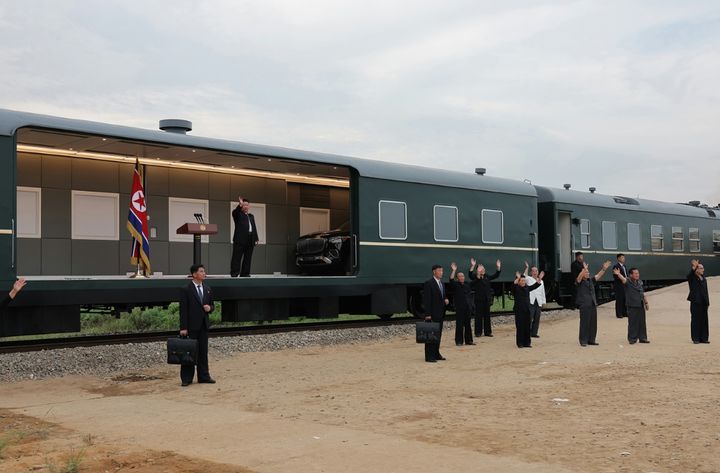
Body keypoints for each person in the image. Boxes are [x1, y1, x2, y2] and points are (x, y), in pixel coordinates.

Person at [179, 264, 216, 386]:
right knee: (189, 352)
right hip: (191, 326)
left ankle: (204, 376)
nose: (204, 273)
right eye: (201, 271)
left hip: (203, 326)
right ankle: (186, 379)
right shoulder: (186, 289)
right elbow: (183, 310)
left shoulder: (207, 288)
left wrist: (209, 308)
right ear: (194, 274)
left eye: (204, 271)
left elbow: (212, 306)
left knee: (203, 352)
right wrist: (183, 328)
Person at [575, 260, 611, 346]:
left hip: (592, 304)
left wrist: (604, 269)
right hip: (584, 304)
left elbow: (598, 276)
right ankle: (583, 340)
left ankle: (591, 339)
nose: (588, 273)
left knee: (593, 323)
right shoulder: (579, 282)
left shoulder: (590, 280)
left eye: (588, 272)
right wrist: (584, 269)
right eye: (586, 272)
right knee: (584, 323)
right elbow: (579, 278)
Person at [613, 267, 650, 344]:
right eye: (635, 273)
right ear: (631, 275)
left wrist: (646, 302)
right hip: (632, 305)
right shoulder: (628, 281)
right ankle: (632, 339)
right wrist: (618, 274)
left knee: (642, 322)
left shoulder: (640, 282)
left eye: (638, 273)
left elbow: (642, 293)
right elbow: (623, 279)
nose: (637, 275)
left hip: (640, 304)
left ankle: (642, 338)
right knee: (633, 322)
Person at [423, 264, 449, 362]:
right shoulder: (429, 283)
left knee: (438, 335)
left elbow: (442, 296)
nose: (441, 272)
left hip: (440, 314)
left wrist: (445, 299)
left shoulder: (442, 284)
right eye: (439, 271)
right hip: (432, 314)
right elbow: (427, 300)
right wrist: (427, 314)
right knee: (431, 335)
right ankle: (429, 356)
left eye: (442, 271)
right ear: (434, 271)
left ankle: (436, 353)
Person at [469, 258, 501, 337]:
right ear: (478, 270)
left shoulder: (487, 276)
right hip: (478, 300)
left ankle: (488, 332)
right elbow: (469, 274)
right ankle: (478, 332)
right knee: (478, 316)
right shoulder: (475, 277)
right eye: (481, 269)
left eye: (483, 268)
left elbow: (496, 275)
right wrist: (473, 266)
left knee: (487, 316)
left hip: (487, 299)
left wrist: (498, 267)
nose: (483, 270)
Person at [513, 270, 544, 348]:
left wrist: (539, 279)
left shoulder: (527, 288)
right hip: (519, 311)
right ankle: (520, 343)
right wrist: (518, 277)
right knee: (520, 327)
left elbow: (534, 286)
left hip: (527, 310)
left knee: (527, 326)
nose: (523, 282)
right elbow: (514, 284)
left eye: (524, 281)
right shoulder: (516, 289)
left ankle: (527, 343)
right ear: (519, 282)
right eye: (522, 281)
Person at [230, 197, 259, 277]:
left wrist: (256, 238)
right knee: (237, 257)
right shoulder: (238, 215)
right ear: (242, 206)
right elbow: (235, 212)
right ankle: (234, 273)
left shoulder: (251, 216)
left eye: (247, 205)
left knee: (248, 257)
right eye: (244, 205)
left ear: (249, 206)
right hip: (240, 239)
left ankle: (245, 273)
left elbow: (254, 227)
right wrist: (239, 205)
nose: (245, 206)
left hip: (250, 239)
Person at [449, 262, 475, 346]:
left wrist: (473, 266)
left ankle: (469, 341)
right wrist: (453, 270)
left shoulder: (467, 284)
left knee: (468, 324)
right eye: (460, 276)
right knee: (459, 325)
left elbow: (476, 280)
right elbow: (451, 279)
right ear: (457, 278)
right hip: (459, 308)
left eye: (463, 276)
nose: (461, 277)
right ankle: (459, 341)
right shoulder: (455, 285)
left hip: (468, 307)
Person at [687, 259, 709, 344]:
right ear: (697, 269)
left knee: (704, 320)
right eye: (700, 268)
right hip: (696, 302)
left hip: (704, 303)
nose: (702, 269)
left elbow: (706, 291)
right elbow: (689, 275)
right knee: (695, 320)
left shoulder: (704, 278)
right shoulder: (692, 278)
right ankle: (695, 338)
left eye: (703, 268)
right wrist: (694, 267)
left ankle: (704, 338)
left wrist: (707, 302)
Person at [523, 262, 546, 338]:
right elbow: (524, 276)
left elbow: (542, 292)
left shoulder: (541, 281)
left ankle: (534, 333)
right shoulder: (529, 279)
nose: (535, 272)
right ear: (531, 272)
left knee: (537, 318)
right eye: (533, 271)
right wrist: (527, 267)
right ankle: (527, 332)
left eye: (536, 271)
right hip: (531, 301)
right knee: (530, 317)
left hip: (538, 301)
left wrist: (543, 302)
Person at [612, 254, 628, 318]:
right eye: (622, 257)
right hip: (619, 285)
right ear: (618, 259)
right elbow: (615, 276)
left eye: (624, 257)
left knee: (624, 299)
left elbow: (626, 274)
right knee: (619, 299)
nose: (623, 259)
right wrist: (623, 278)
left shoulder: (624, 266)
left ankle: (624, 313)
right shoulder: (616, 266)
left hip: (625, 284)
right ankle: (619, 314)